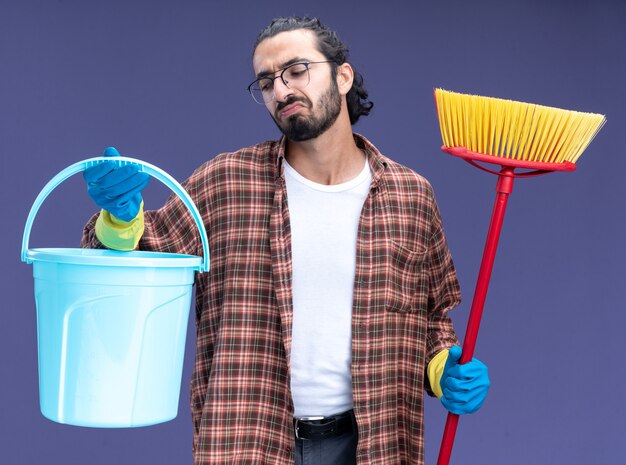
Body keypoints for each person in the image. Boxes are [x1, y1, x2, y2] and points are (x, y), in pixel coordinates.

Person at [81, 16, 489, 465]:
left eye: (296, 70)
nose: (280, 90)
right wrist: (121, 218)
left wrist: (442, 367)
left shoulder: (411, 196)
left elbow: (432, 318)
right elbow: (138, 259)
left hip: (373, 445)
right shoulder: (225, 184)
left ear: (343, 75)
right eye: (266, 81)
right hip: (249, 438)